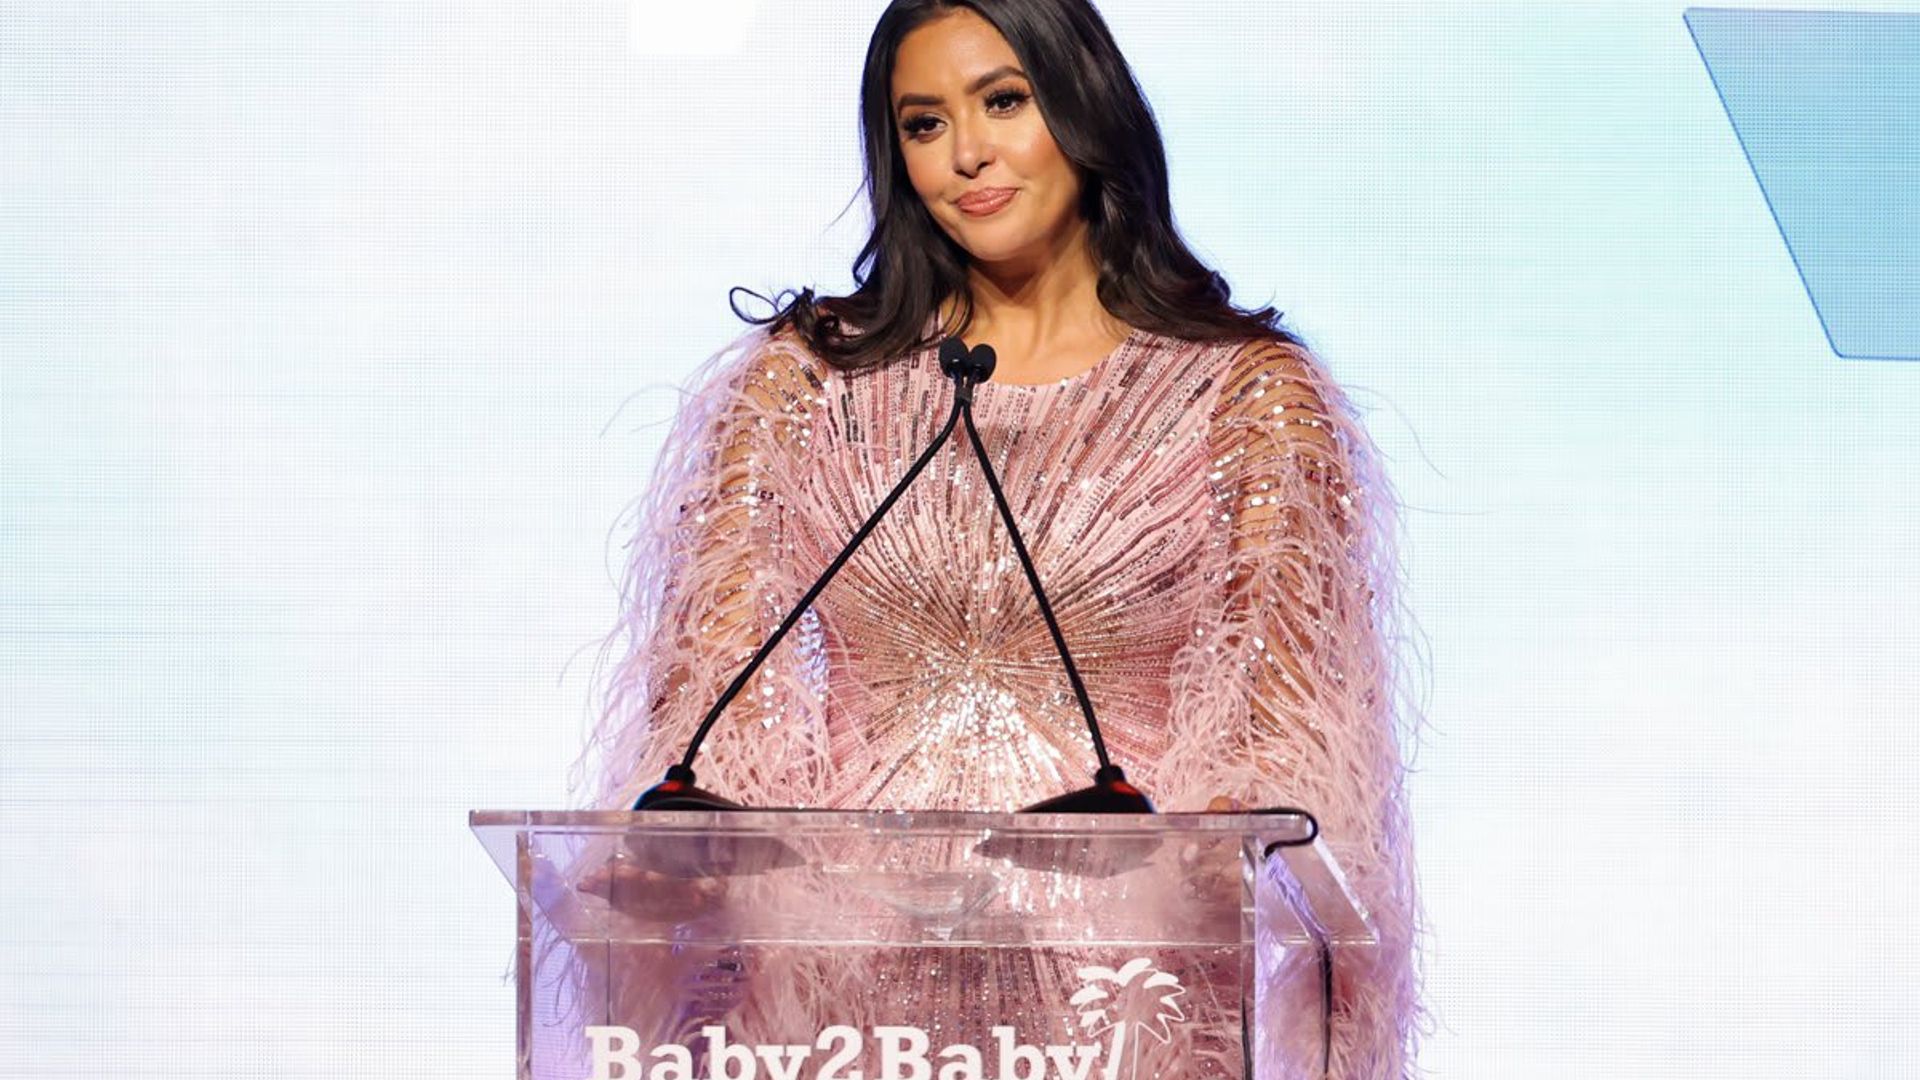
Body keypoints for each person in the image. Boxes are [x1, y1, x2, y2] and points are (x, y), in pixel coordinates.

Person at [578, 0, 1420, 1075]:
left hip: (1128, 1013)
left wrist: (1217, 845)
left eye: (1004, 103)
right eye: (924, 125)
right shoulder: (807, 386)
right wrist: (687, 858)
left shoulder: (1246, 399)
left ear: (1086, 107)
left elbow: (1284, 737)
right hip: (840, 1019)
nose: (965, 154)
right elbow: (703, 707)